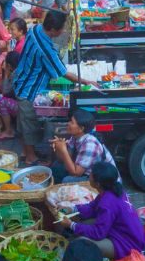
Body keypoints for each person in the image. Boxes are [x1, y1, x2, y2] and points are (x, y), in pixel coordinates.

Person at [14, 10, 98, 166]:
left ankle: (28, 151)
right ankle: (30, 157)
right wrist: (87, 81)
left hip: (21, 80)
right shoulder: (46, 50)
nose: (64, 31)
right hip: (28, 89)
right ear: (53, 30)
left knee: (24, 122)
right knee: (28, 124)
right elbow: (63, 72)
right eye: (62, 28)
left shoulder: (36, 29)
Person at [58, 162, 144, 260]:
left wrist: (71, 225)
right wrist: (73, 208)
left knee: (82, 242)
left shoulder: (107, 203)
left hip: (128, 245)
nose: (89, 175)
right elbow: (92, 208)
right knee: (85, 222)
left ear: (97, 183)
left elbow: (98, 233)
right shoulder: (113, 190)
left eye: (91, 174)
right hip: (124, 234)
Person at [49, 110, 116, 184]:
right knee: (57, 166)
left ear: (81, 128)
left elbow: (76, 173)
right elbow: (63, 159)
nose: (68, 123)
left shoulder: (90, 145)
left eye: (72, 122)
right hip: (85, 171)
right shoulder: (75, 137)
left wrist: (63, 150)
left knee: (67, 180)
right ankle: (57, 189)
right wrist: (59, 147)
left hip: (102, 179)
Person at [0, 51, 21, 141]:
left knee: (2, 101)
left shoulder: (14, 74)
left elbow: (5, 91)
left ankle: (8, 131)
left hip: (23, 107)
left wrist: (6, 74)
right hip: (30, 104)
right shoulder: (22, 70)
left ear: (8, 65)